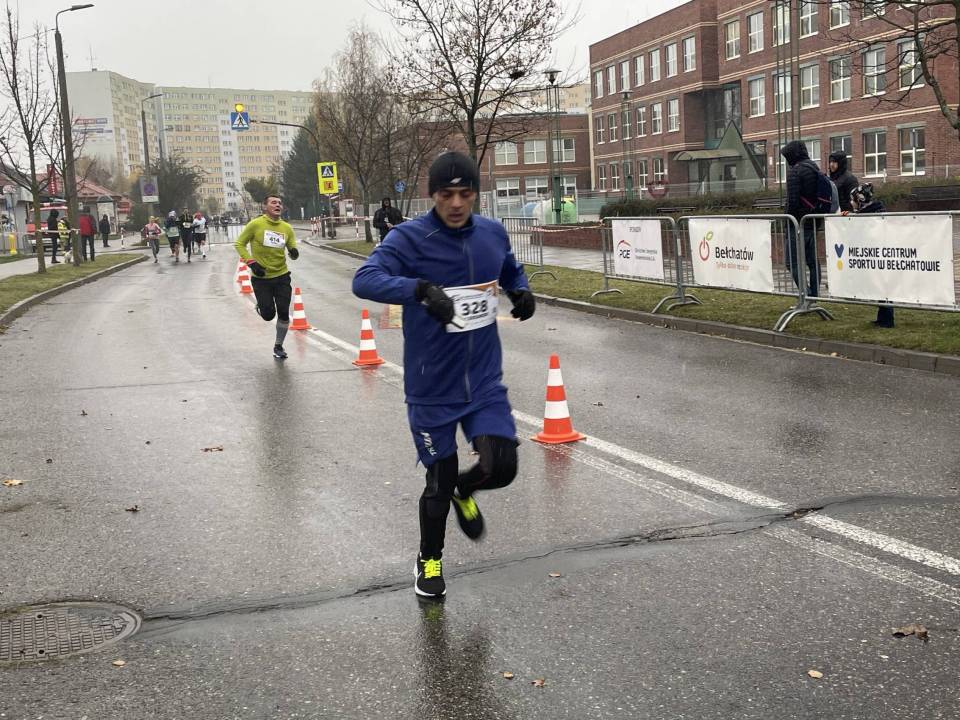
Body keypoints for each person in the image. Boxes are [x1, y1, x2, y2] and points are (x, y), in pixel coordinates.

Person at [352, 151, 536, 599]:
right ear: (432, 194)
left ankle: (464, 491)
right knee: (438, 481)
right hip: (431, 385)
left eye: (465, 193)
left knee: (502, 466)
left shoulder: (491, 232)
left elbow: (508, 266)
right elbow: (365, 279)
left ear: (475, 194)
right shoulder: (409, 238)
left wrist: (520, 288)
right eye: (446, 194)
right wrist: (418, 290)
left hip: (483, 380)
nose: (456, 203)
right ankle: (429, 560)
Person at [234, 195, 299, 359]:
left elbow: (292, 248)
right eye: (273, 202)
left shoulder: (286, 228)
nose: (278, 205)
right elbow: (239, 244)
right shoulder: (255, 224)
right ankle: (262, 307)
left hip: (282, 276)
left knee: (283, 312)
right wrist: (251, 263)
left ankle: (278, 346)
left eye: (280, 203)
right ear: (265, 207)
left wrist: (294, 252)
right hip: (261, 277)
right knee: (268, 315)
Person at [846, 182, 894, 328]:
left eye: (853, 200)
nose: (851, 203)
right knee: (881, 286)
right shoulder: (871, 210)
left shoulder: (870, 214)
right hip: (877, 254)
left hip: (879, 255)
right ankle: (883, 317)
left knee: (883, 286)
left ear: (859, 200)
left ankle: (887, 320)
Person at [780, 140, 822, 300]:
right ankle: (815, 296)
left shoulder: (795, 171)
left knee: (792, 262)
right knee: (812, 261)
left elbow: (793, 201)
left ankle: (806, 294)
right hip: (812, 221)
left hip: (797, 223)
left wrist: (787, 220)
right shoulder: (814, 167)